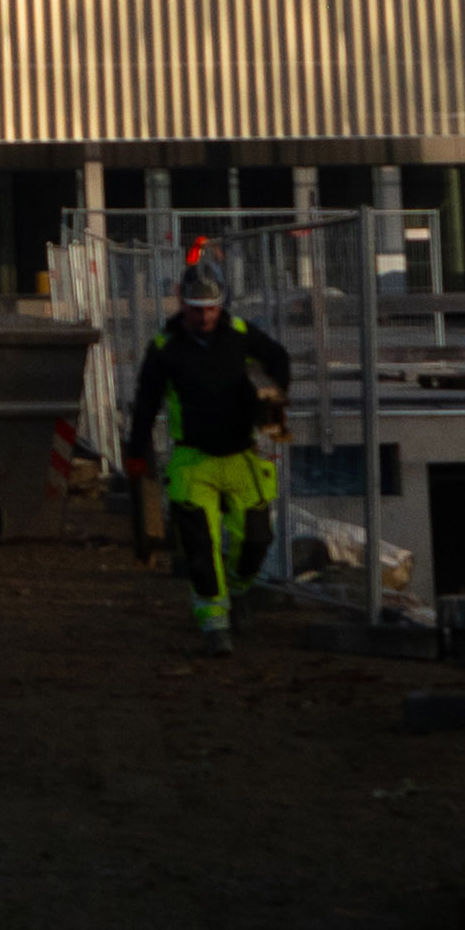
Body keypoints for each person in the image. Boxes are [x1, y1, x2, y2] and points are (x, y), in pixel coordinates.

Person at [120, 261, 292, 657]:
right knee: (200, 545)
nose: (205, 316)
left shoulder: (240, 334)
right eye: (197, 308)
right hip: (192, 459)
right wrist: (136, 453)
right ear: (182, 304)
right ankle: (215, 624)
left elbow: (278, 358)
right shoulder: (164, 348)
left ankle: (238, 590)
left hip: (241, 456)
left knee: (257, 537)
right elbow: (146, 402)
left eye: (212, 307)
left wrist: (273, 397)